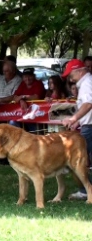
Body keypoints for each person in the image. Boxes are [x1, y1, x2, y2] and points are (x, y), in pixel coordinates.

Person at [61, 59, 92, 200]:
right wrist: (78, 121)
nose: (70, 78)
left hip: (90, 128)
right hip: (88, 125)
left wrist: (73, 119)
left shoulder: (86, 84)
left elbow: (87, 105)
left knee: (76, 161)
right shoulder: (87, 82)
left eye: (71, 74)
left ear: (79, 71)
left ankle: (85, 191)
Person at [9, 67, 46, 133]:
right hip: (23, 114)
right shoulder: (22, 84)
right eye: (25, 76)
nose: (27, 79)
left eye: (30, 76)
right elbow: (15, 97)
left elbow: (36, 97)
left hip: (36, 115)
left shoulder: (38, 83)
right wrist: (21, 100)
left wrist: (23, 97)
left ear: (34, 76)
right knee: (12, 122)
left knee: (36, 133)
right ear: (23, 78)